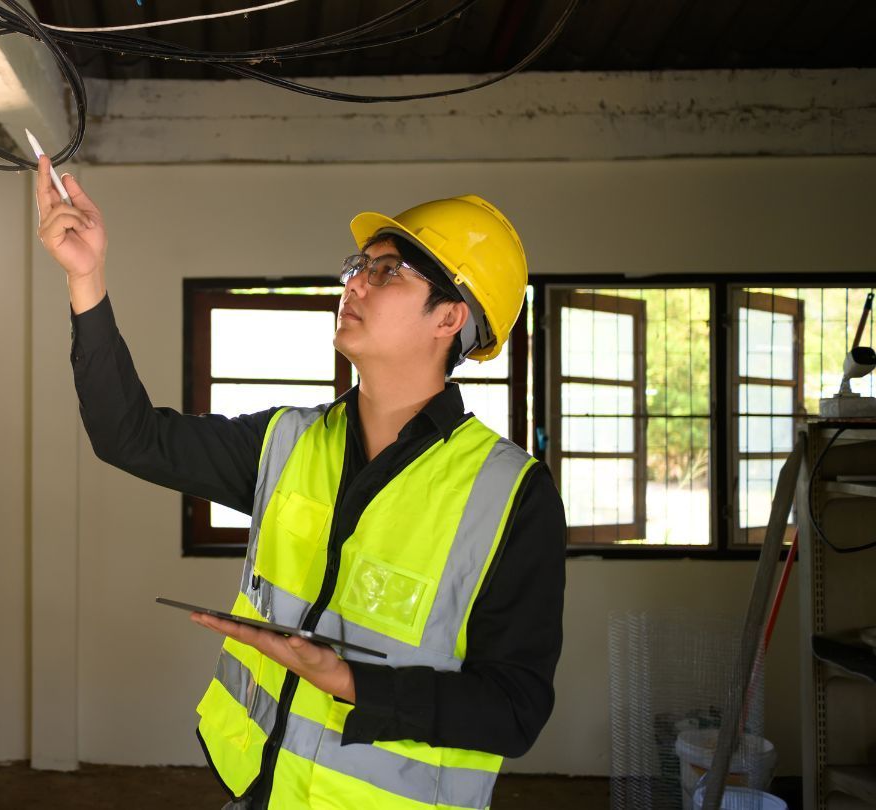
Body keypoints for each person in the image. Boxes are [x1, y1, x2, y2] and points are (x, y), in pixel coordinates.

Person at [34, 155, 566, 810]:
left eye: (386, 272)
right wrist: (85, 277)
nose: (355, 285)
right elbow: (131, 437)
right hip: (257, 790)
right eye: (357, 267)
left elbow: (515, 710)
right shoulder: (288, 442)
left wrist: (350, 681)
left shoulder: (511, 494)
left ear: (449, 318)